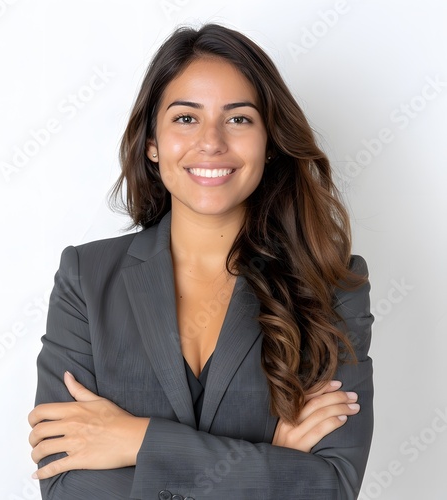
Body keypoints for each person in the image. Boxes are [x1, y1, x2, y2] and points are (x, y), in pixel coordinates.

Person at [28, 23, 373, 500]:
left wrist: (137, 440)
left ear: (270, 142)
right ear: (152, 142)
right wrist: (268, 464)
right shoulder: (86, 280)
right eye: (186, 118)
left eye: (238, 119)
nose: (211, 142)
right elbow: (68, 485)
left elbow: (330, 488)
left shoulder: (333, 283)